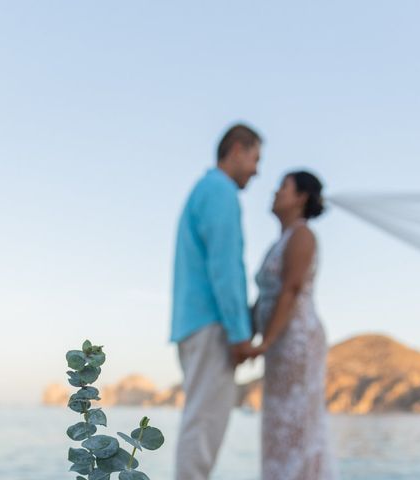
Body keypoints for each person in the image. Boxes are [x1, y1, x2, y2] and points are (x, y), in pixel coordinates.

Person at [171, 124, 262, 480]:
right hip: (212, 325)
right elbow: (225, 266)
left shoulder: (203, 190)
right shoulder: (220, 191)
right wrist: (240, 334)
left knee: (199, 422)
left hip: (193, 323)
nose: (256, 170)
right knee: (204, 427)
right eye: (256, 158)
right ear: (237, 149)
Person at [247, 171, 337, 480]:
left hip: (296, 342)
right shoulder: (279, 242)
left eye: (282, 187)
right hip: (279, 343)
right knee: (279, 422)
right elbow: (265, 296)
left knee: (298, 423)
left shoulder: (302, 235)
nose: (274, 193)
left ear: (300, 197)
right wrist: (245, 335)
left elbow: (292, 288)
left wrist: (265, 342)